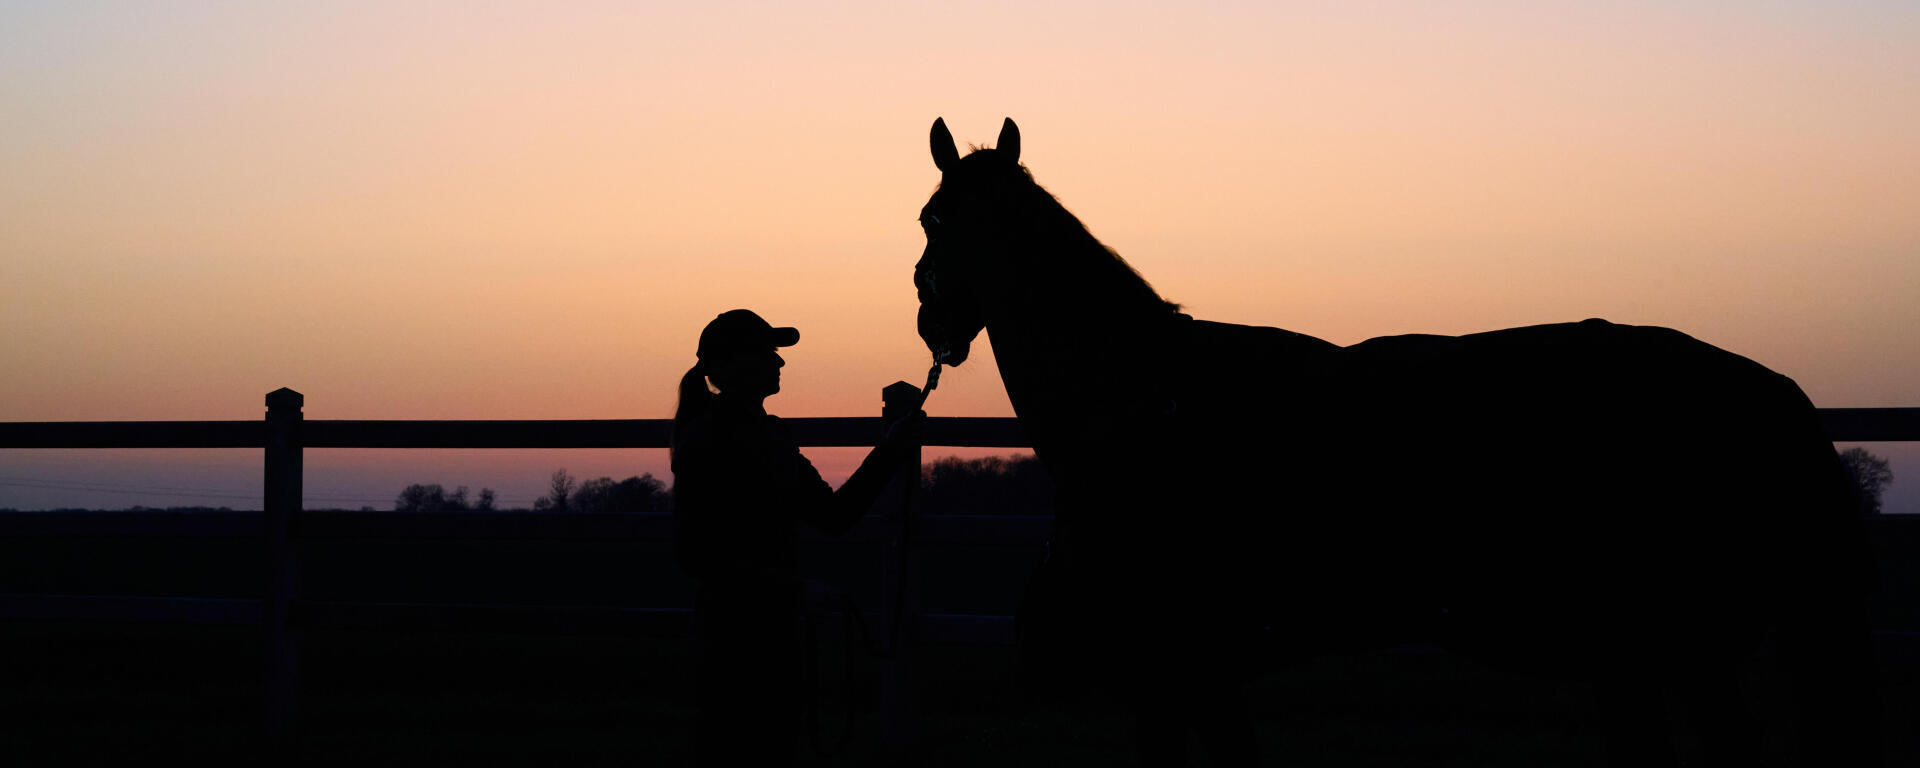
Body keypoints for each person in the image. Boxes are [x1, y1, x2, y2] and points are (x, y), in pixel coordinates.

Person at [670, 309, 923, 766]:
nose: (779, 363)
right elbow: (698, 553)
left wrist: (890, 450)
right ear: (729, 366)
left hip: (761, 632)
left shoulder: (765, 434)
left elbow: (832, 515)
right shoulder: (714, 442)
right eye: (766, 353)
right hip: (736, 637)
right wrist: (792, 588)